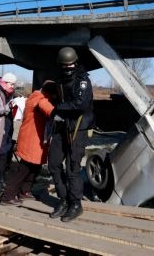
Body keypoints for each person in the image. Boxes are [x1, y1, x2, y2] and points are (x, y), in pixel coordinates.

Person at [48, 47, 95, 222]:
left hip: (78, 127)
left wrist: (55, 109)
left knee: (72, 169)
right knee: (53, 163)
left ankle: (76, 204)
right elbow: (58, 97)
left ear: (75, 62)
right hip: (62, 126)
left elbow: (80, 104)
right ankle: (63, 199)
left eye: (71, 64)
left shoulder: (83, 81)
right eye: (65, 65)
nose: (68, 67)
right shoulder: (59, 78)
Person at [0, 81, 57, 205]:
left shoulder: (37, 96)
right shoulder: (40, 99)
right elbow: (49, 109)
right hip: (32, 140)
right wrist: (59, 111)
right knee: (23, 169)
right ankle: (7, 196)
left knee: (34, 168)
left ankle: (24, 191)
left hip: (35, 140)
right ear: (49, 93)